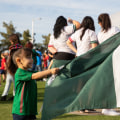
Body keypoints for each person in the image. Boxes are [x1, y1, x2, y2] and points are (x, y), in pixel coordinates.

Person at [7, 48, 59, 120]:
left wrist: (55, 69)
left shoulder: (29, 72)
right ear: (19, 60)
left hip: (30, 111)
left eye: (31, 57)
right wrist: (50, 71)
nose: (32, 60)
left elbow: (40, 74)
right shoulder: (19, 72)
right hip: (21, 112)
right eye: (28, 57)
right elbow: (35, 76)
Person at [67, 16, 98, 113]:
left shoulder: (77, 32)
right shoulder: (92, 33)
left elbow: (68, 42)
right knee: (88, 83)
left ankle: (80, 106)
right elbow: (94, 48)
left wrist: (76, 51)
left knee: (80, 83)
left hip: (79, 59)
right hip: (88, 60)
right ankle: (86, 105)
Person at [98, 13, 120, 116]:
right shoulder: (115, 30)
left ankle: (107, 106)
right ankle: (107, 107)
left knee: (108, 82)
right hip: (114, 57)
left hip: (105, 59)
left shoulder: (100, 34)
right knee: (113, 82)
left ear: (101, 22)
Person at [1, 34, 22, 101]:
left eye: (10, 40)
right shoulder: (21, 47)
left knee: (9, 81)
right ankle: (14, 95)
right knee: (14, 82)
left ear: (13, 40)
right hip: (18, 66)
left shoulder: (12, 48)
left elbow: (11, 58)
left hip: (12, 66)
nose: (10, 41)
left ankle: (4, 96)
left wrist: (8, 65)